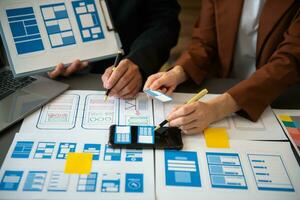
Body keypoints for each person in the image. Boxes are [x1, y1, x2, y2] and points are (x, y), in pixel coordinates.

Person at [144, 0, 300, 134]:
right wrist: (179, 71)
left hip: (280, 96)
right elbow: (204, 42)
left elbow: (288, 62)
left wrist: (216, 109)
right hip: (224, 84)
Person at [48, 0, 180, 99]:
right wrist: (44, 58)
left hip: (130, 65)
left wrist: (139, 61)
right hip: (59, 77)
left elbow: (165, 21)